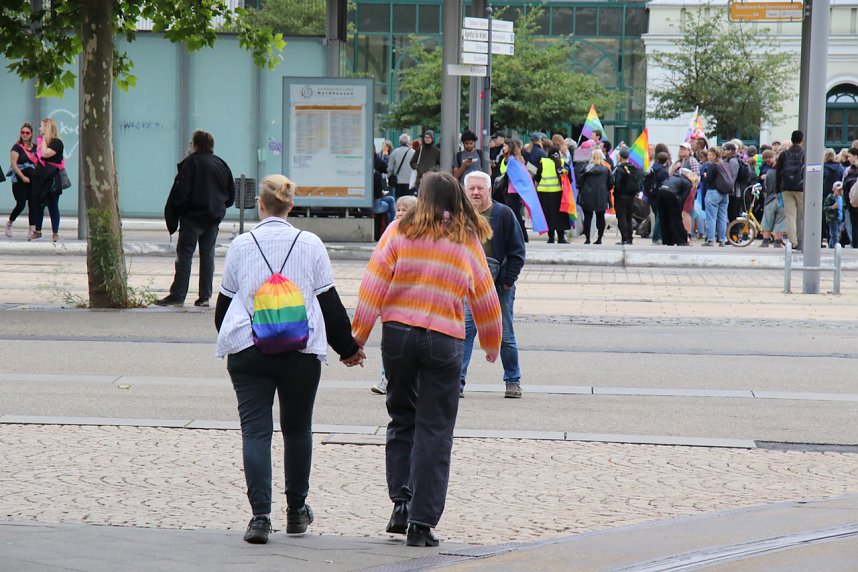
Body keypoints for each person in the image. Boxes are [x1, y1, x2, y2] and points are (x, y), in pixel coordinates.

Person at [351, 171, 501, 547]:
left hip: (399, 335)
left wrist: (358, 338)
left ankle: (401, 503)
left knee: (402, 417)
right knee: (435, 429)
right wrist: (491, 340)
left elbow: (373, 284)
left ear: (423, 197)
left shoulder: (400, 231)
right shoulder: (466, 238)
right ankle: (421, 522)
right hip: (444, 340)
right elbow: (484, 292)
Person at [214, 174, 365, 545]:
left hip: (249, 351)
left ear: (260, 205)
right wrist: (348, 348)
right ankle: (297, 511)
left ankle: (259, 518)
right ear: (291, 207)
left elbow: (222, 308)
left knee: (256, 432)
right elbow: (329, 303)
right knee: (298, 429)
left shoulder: (241, 245)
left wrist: (236, 337)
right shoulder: (310, 243)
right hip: (301, 351)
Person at [460, 171, 525, 399]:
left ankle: (513, 380)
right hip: (470, 286)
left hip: (499, 286)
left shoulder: (503, 214)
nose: (476, 193)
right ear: (465, 191)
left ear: (489, 190)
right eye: (472, 189)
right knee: (465, 331)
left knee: (505, 334)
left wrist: (508, 281)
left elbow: (518, 251)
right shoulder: (459, 215)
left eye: (480, 188)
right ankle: (457, 382)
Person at [158, 130, 235, 307]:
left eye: (190, 143)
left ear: (196, 144)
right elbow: (231, 194)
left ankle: (178, 294)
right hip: (213, 218)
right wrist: (219, 207)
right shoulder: (221, 164)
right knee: (207, 256)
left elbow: (181, 192)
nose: (188, 147)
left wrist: (179, 212)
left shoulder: (191, 163)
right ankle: (205, 297)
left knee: (185, 255)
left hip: (192, 218)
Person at [370, 194, 418, 396]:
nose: (399, 213)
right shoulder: (390, 233)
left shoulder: (418, 237)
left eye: (404, 210)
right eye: (398, 209)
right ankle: (385, 377)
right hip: (392, 299)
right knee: (390, 341)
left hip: (411, 300)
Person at [33, 117, 65, 242]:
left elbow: (46, 154)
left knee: (53, 205)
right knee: (38, 204)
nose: (40, 128)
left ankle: (55, 232)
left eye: (42, 126)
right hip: (40, 177)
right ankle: (38, 230)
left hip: (51, 177)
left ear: (47, 128)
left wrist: (44, 141)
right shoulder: (42, 141)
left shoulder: (57, 142)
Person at [775, 130, 806, 250]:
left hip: (786, 188)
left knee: (790, 216)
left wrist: (778, 189)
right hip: (801, 188)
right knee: (804, 215)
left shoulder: (784, 154)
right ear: (802, 140)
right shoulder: (805, 154)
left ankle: (793, 241)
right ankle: (806, 238)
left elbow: (778, 173)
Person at [6, 123, 37, 238]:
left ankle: (32, 229)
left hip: (32, 179)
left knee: (33, 203)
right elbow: (14, 165)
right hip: (19, 179)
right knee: (21, 204)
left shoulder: (35, 148)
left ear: (31, 134)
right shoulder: (17, 147)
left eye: (27, 133)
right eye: (22, 132)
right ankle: (10, 222)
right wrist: (23, 177)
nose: (24, 135)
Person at [577, 149, 613, 244]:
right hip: (601, 196)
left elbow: (579, 182)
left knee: (587, 217)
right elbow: (610, 184)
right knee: (600, 217)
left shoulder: (586, 169)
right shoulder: (606, 170)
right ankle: (599, 238)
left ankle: (587, 238)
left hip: (587, 196)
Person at [656, 168, 698, 246]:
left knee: (664, 217)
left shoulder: (673, 177)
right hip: (671, 194)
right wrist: (679, 210)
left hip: (660, 192)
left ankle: (667, 240)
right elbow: (683, 197)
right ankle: (681, 240)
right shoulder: (687, 183)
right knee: (675, 219)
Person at [535, 145, 568, 243]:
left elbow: (538, 177)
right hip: (558, 193)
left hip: (544, 193)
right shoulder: (562, 162)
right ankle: (561, 237)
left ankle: (551, 237)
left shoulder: (543, 162)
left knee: (548, 216)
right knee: (560, 215)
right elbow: (567, 178)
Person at [499, 138, 530, 242]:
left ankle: (522, 236)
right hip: (514, 191)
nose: (503, 148)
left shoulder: (512, 160)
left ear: (510, 147)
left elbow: (511, 175)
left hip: (513, 191)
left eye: (505, 146)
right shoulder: (516, 159)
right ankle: (521, 235)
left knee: (514, 214)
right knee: (515, 214)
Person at [612, 147, 641, 245]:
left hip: (621, 196)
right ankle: (630, 237)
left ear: (620, 157)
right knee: (629, 217)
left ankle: (624, 238)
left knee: (621, 217)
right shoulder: (634, 168)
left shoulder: (620, 169)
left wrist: (616, 192)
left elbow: (618, 184)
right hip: (631, 196)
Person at [758, 149, 786, 248]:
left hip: (769, 198)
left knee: (767, 220)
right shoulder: (785, 173)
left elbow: (765, 187)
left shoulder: (769, 173)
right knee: (780, 220)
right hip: (782, 199)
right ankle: (777, 241)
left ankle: (765, 241)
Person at [702, 147, 728, 247]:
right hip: (724, 193)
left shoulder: (712, 166)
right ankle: (722, 239)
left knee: (711, 217)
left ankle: (710, 239)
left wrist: (705, 175)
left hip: (713, 192)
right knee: (722, 217)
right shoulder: (724, 165)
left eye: (709, 154)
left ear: (713, 155)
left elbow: (708, 179)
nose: (708, 156)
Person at [387, 134, 416, 198]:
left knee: (399, 200)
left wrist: (389, 177)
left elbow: (390, 168)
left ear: (400, 142)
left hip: (398, 181)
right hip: (410, 181)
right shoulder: (413, 152)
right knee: (410, 201)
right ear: (408, 142)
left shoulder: (394, 152)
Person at [823, 181, 844, 249]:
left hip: (839, 218)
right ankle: (834, 247)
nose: (840, 192)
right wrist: (832, 207)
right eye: (838, 190)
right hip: (832, 219)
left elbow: (842, 208)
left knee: (837, 234)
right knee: (834, 234)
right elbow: (825, 208)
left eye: (841, 190)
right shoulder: (830, 197)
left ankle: (831, 246)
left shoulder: (841, 198)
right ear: (833, 190)